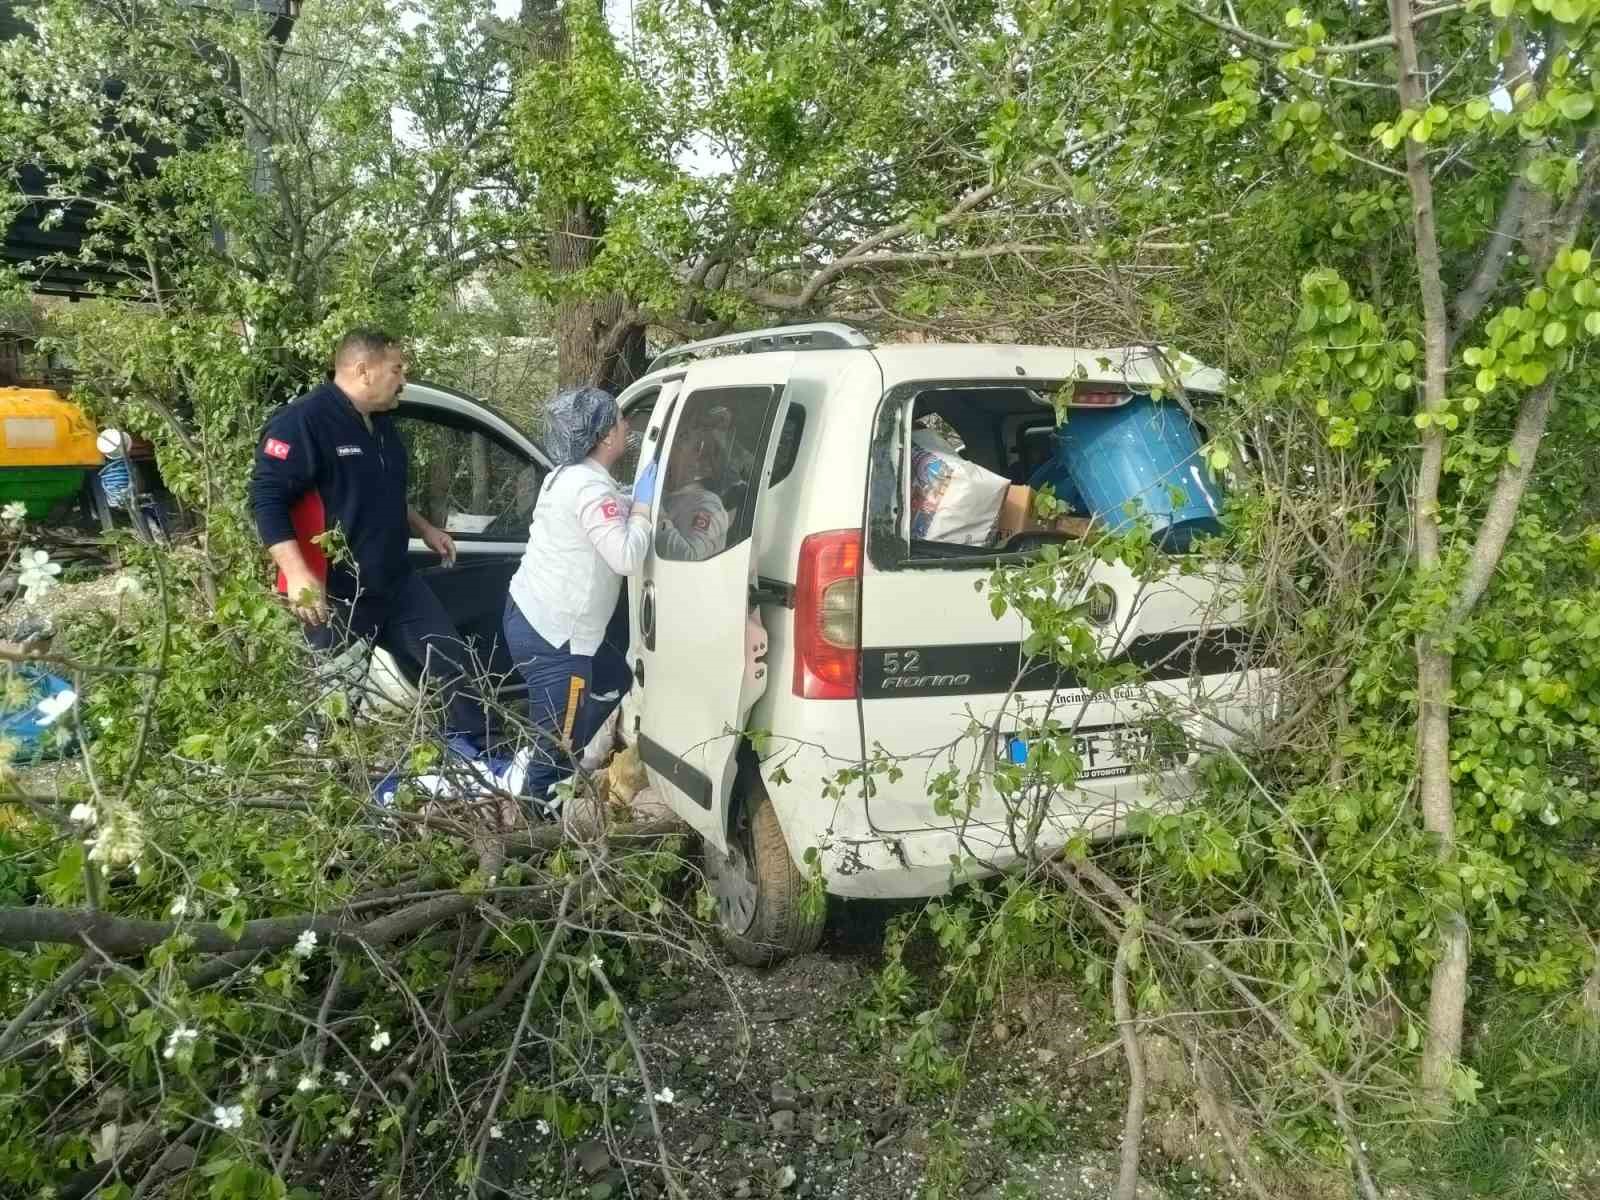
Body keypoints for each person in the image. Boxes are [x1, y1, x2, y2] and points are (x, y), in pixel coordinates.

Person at [250, 328, 504, 796]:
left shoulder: (381, 422)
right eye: (397, 368)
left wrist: (425, 528)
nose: (403, 379)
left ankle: (483, 759)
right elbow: (266, 501)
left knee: (451, 660)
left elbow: (381, 492)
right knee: (336, 700)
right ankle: (331, 791)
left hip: (396, 582)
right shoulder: (303, 422)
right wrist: (298, 573)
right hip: (338, 592)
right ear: (362, 370)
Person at [503, 386, 658, 815]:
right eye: (620, 421)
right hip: (557, 639)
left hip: (532, 617)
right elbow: (626, 555)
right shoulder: (590, 488)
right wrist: (643, 509)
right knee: (557, 742)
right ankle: (534, 827)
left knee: (612, 678)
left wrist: (633, 502)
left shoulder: (568, 476)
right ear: (606, 437)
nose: (626, 427)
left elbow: (605, 511)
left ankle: (561, 758)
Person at [657, 412, 731, 561]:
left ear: (696, 455)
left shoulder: (708, 505)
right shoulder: (667, 495)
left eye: (677, 446)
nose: (667, 455)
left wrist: (657, 514)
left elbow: (691, 558)